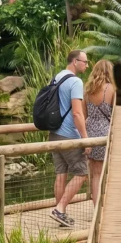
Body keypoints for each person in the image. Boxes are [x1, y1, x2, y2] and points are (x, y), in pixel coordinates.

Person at [48, 50, 90, 228]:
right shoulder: (75, 81)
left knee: (61, 174)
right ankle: (60, 208)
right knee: (83, 173)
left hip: (54, 133)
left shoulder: (57, 78)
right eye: (85, 62)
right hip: (69, 134)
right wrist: (85, 139)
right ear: (75, 61)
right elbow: (77, 113)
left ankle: (61, 213)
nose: (87, 65)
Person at [84, 59, 115, 205]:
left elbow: (85, 115)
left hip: (90, 133)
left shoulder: (88, 90)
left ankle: (97, 208)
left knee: (95, 174)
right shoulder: (112, 89)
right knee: (108, 172)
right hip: (105, 133)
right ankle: (108, 205)